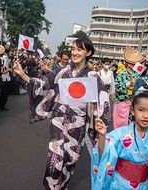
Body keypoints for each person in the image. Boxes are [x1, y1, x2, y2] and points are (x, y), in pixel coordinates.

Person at [13, 38, 110, 189]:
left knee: (70, 158)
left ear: (88, 52)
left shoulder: (93, 76)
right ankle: (51, 186)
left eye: (79, 49)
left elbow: (102, 99)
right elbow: (45, 83)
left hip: (77, 122)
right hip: (58, 119)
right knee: (55, 156)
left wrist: (99, 119)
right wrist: (22, 74)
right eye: (73, 49)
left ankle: (62, 185)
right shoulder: (64, 71)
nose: (75, 53)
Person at [92, 90, 148, 190]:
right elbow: (104, 155)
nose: (146, 115)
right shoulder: (119, 135)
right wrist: (102, 136)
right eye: (141, 110)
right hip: (119, 185)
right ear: (132, 111)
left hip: (144, 186)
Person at [113, 47, 144, 129]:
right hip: (122, 101)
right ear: (127, 63)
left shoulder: (138, 74)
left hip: (134, 102)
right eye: (132, 63)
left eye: (135, 64)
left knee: (132, 125)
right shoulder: (121, 74)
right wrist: (129, 83)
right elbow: (117, 88)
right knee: (120, 124)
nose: (133, 65)